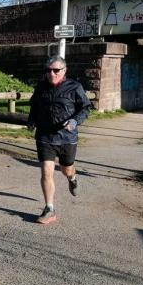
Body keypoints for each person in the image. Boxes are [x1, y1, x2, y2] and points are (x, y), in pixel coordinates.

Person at [27, 55, 92, 225]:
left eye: (56, 70)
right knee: (46, 172)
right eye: (49, 70)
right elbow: (34, 106)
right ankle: (49, 209)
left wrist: (74, 121)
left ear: (64, 71)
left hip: (67, 138)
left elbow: (86, 107)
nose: (52, 74)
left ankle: (72, 178)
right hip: (45, 136)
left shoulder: (74, 87)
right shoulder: (41, 87)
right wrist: (31, 120)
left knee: (66, 170)